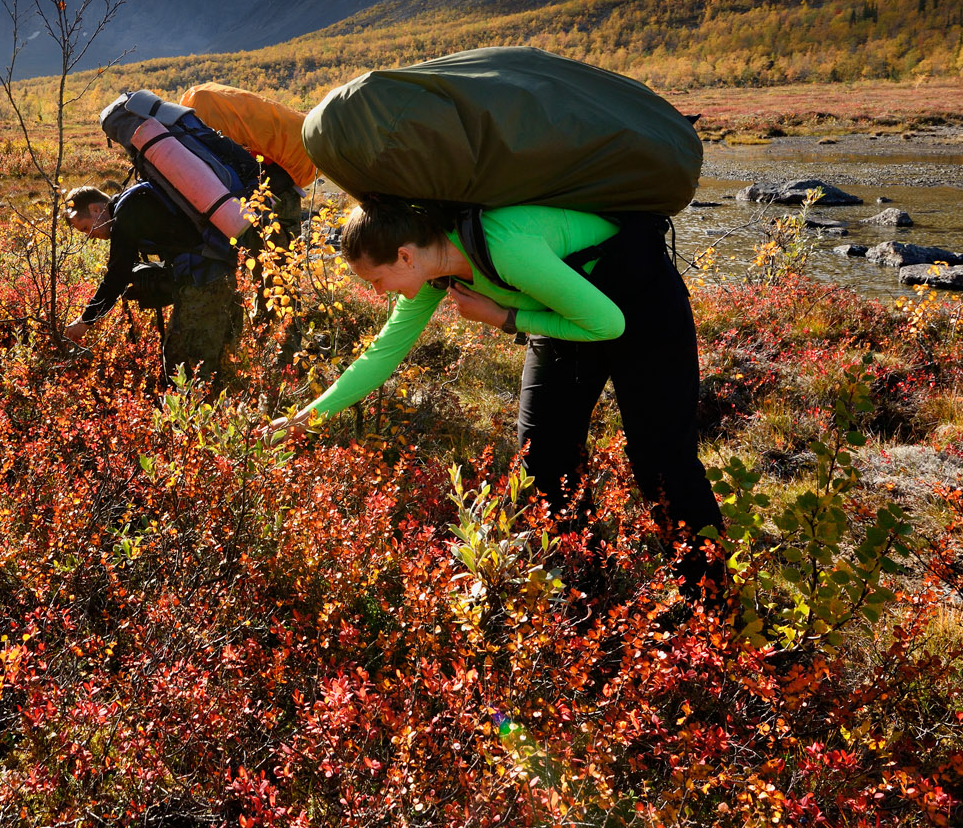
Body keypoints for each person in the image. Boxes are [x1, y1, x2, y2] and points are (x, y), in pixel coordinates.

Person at [263, 198, 726, 594]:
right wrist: (305, 417)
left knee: (662, 461)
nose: (379, 293)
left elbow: (608, 324)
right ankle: (590, 588)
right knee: (543, 453)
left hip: (638, 304)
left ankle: (711, 603)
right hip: (557, 308)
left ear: (405, 256)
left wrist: (506, 318)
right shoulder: (434, 276)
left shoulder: (504, 246)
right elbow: (381, 355)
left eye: (376, 281)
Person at [61, 182, 243, 385]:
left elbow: (116, 277)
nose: (90, 235)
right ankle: (228, 403)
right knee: (221, 354)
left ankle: (199, 412)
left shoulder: (127, 213)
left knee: (182, 359)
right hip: (223, 272)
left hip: (205, 282)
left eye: (86, 227)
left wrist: (86, 320)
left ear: (95, 208)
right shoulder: (136, 200)